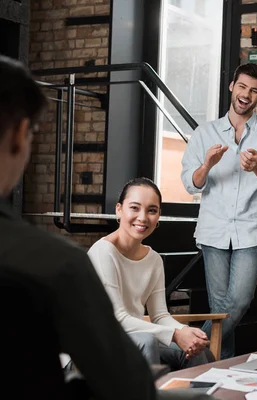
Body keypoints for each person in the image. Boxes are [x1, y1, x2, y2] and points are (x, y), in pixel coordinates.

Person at [0, 56, 171, 400]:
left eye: (151, 210)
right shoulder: (55, 264)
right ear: (20, 134)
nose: (142, 217)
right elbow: (126, 383)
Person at [181, 63, 257, 359]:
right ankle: (218, 379)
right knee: (221, 311)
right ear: (232, 87)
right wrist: (207, 165)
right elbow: (191, 184)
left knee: (239, 302)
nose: (246, 94)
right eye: (242, 87)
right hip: (213, 230)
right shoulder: (205, 133)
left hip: (250, 229)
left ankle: (185, 349)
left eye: (254, 90)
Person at [88, 178, 212, 371]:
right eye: (135, 208)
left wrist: (185, 331)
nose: (143, 217)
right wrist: (175, 335)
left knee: (198, 350)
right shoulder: (103, 252)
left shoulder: (153, 259)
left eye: (151, 210)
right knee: (147, 341)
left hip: (131, 339)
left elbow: (160, 315)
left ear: (159, 215)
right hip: (94, 343)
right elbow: (117, 319)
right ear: (119, 210)